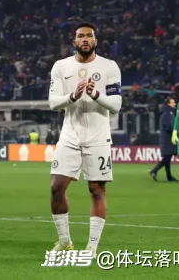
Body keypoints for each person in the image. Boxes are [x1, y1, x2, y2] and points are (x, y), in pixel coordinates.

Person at [48, 22, 122, 256]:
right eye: (81, 36)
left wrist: (95, 94)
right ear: (74, 42)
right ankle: (64, 241)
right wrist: (72, 96)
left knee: (96, 190)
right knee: (56, 188)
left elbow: (116, 104)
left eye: (90, 36)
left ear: (96, 41)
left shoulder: (109, 66)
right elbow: (53, 103)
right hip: (69, 136)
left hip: (99, 138)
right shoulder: (61, 66)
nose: (85, 39)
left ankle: (92, 246)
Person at [150, 97, 178, 182]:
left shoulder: (166, 112)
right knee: (167, 158)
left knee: (168, 157)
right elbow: (169, 126)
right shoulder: (168, 113)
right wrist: (175, 133)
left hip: (165, 138)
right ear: (168, 104)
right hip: (167, 138)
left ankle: (169, 176)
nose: (175, 104)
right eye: (173, 102)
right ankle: (154, 171)